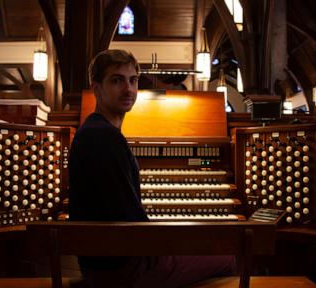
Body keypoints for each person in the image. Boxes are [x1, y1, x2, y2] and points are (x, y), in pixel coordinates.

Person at [68, 49, 235, 288]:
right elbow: (133, 223)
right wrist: (179, 243)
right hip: (123, 272)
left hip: (105, 262)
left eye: (133, 80)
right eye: (117, 80)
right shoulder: (104, 138)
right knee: (226, 257)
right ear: (97, 89)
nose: (128, 89)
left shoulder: (95, 131)